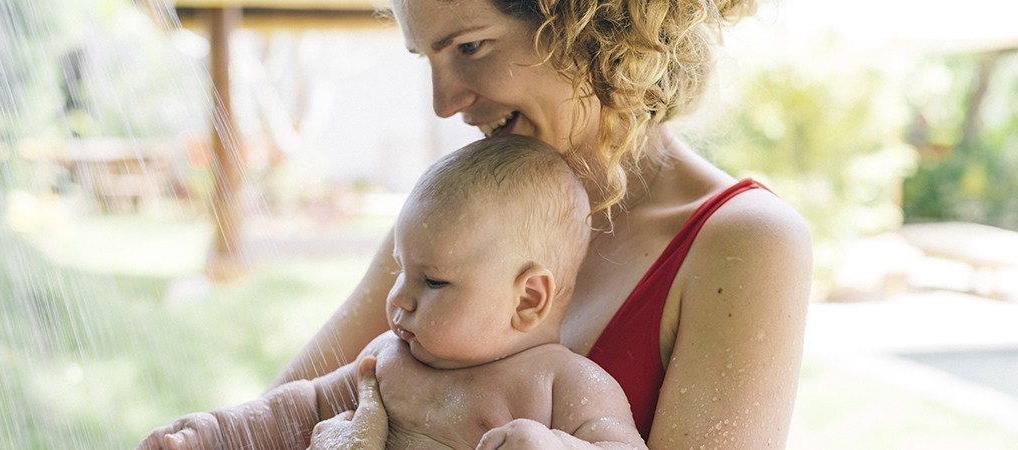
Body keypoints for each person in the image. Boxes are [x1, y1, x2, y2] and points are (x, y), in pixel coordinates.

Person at [277, 0, 813, 448]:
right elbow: (274, 418)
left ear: (589, 29)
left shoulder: (744, 241)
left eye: (470, 47)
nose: (445, 103)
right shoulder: (458, 217)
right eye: (427, 58)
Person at [138, 135, 646, 450]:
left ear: (529, 299)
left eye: (433, 282)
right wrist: (209, 435)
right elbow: (295, 410)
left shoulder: (566, 384)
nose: (399, 299)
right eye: (401, 272)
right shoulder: (388, 361)